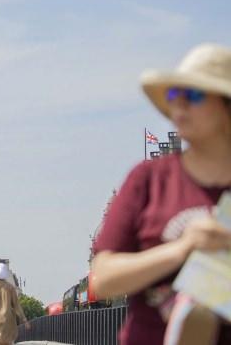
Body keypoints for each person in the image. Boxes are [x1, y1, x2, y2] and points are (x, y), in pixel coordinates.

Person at [91, 43, 231, 344]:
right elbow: (102, 278)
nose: (179, 106)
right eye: (173, 95)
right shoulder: (148, 179)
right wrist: (183, 248)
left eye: (193, 95)